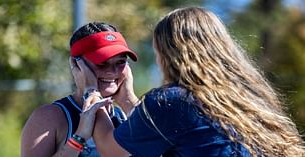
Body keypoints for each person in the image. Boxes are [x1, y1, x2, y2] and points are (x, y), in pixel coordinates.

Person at [74, 7, 305, 157]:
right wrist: (126, 99)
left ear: (168, 55)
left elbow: (111, 149)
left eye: (157, 53)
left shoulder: (171, 101)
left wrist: (92, 92)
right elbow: (158, 130)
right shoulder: (245, 96)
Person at [21, 22, 138, 157]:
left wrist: (129, 99)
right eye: (101, 63)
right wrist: (79, 138)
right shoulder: (49, 117)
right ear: (77, 65)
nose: (112, 72)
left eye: (120, 62)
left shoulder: (126, 116)